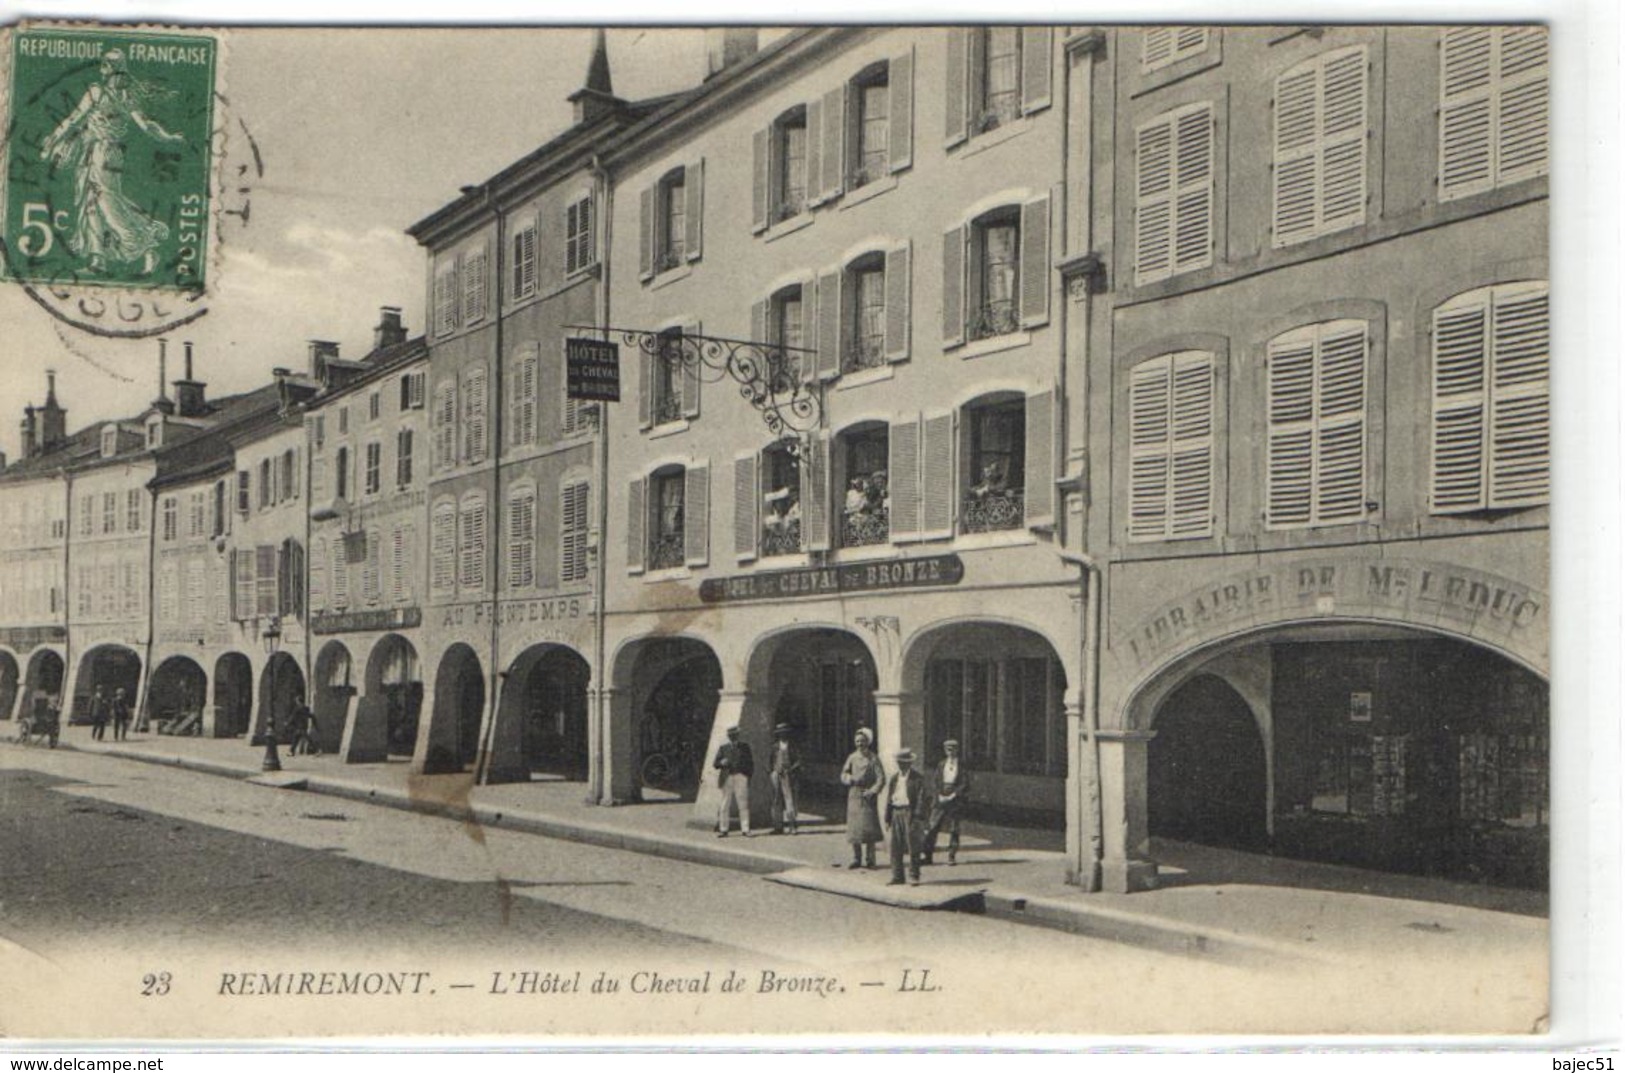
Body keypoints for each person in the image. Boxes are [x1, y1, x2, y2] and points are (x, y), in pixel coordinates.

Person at [38, 49, 185, 277]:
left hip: (99, 152)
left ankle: (144, 244)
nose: (101, 69)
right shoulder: (128, 96)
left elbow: (73, 120)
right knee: (93, 203)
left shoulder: (97, 92)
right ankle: (98, 261)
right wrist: (168, 137)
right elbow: (147, 126)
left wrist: (52, 140)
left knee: (108, 204)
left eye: (104, 66)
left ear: (108, 68)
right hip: (110, 154)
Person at [840, 728, 884, 869]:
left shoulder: (873, 758)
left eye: (863, 741)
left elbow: (881, 778)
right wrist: (848, 779)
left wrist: (872, 791)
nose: (860, 744)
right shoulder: (852, 758)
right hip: (854, 794)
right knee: (855, 829)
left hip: (867, 796)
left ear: (868, 742)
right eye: (858, 741)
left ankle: (870, 859)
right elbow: (844, 773)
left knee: (869, 828)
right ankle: (856, 858)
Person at [883, 748, 929, 886]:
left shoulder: (917, 779)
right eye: (899, 762)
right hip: (896, 812)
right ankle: (897, 876)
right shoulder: (894, 778)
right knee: (895, 846)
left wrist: (917, 816)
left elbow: (922, 798)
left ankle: (914, 875)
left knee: (913, 845)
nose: (902, 765)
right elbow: (889, 799)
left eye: (905, 762)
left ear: (910, 763)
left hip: (910, 812)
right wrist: (887, 818)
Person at [925, 739, 972, 866]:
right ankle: (928, 856)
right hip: (940, 798)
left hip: (955, 800)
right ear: (945, 751)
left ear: (957, 750)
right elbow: (935, 781)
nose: (951, 752)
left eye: (953, 749)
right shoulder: (941, 764)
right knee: (932, 827)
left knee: (954, 829)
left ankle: (951, 856)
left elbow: (965, 783)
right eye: (948, 749)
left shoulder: (961, 766)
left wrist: (953, 795)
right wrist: (939, 794)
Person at [712, 726, 754, 837]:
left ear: (737, 735)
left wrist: (747, 776)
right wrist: (721, 762)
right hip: (727, 777)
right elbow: (715, 764)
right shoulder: (723, 748)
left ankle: (745, 829)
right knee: (725, 804)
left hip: (740, 776)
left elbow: (750, 763)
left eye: (734, 735)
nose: (732, 737)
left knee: (743, 803)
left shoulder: (744, 747)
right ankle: (724, 829)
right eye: (730, 735)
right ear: (728, 736)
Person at [768, 722, 801, 835]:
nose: (783, 735)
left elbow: (798, 760)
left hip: (788, 774)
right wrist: (772, 772)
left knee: (789, 800)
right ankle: (778, 826)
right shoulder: (775, 747)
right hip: (777, 774)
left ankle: (792, 825)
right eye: (780, 733)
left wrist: (791, 769)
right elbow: (770, 761)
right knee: (776, 800)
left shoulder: (793, 746)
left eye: (785, 733)